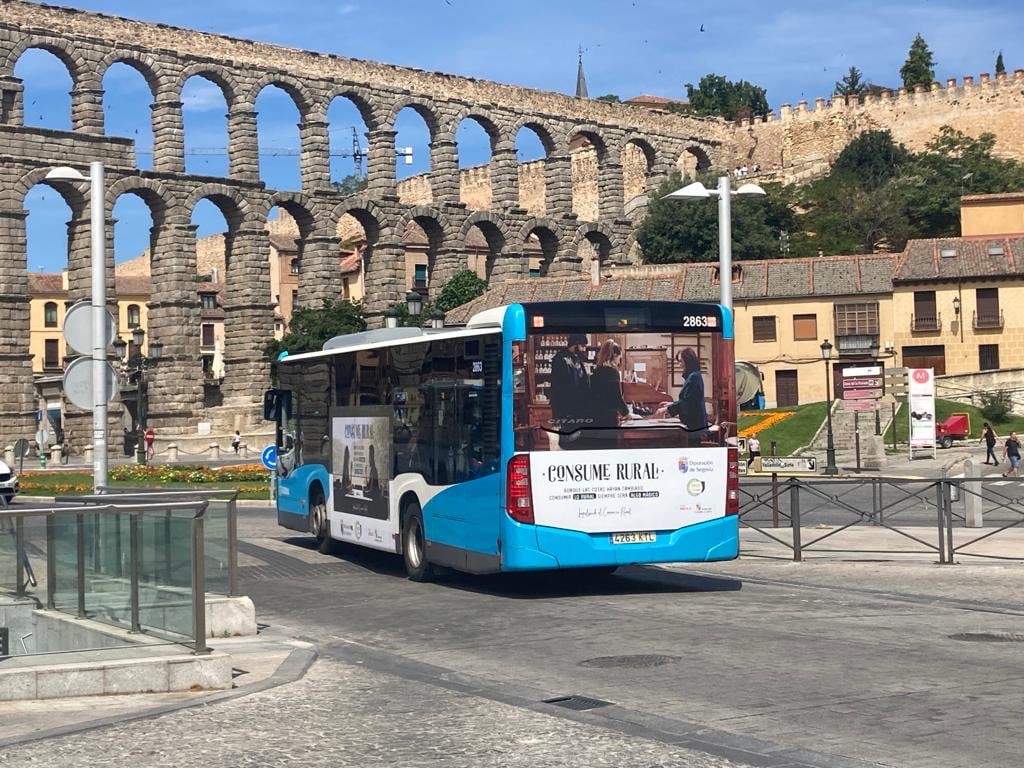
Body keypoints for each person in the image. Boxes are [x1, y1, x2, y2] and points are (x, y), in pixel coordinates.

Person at [548, 333, 591, 448]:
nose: (583, 349)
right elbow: (556, 387)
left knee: (577, 442)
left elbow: (584, 381)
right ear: (576, 344)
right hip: (565, 408)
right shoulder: (559, 359)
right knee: (567, 442)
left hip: (577, 408)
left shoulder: (577, 359)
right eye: (582, 345)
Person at [659, 348, 706, 446]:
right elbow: (687, 399)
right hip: (695, 423)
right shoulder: (694, 375)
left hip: (694, 424)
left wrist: (667, 409)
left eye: (681, 361)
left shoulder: (694, 377)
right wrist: (672, 404)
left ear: (687, 361)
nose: (680, 365)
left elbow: (687, 402)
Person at [589, 340, 630, 429]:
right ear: (614, 355)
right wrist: (626, 413)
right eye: (619, 358)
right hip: (608, 418)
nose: (619, 361)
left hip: (595, 416)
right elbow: (616, 397)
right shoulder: (612, 372)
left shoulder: (597, 371)